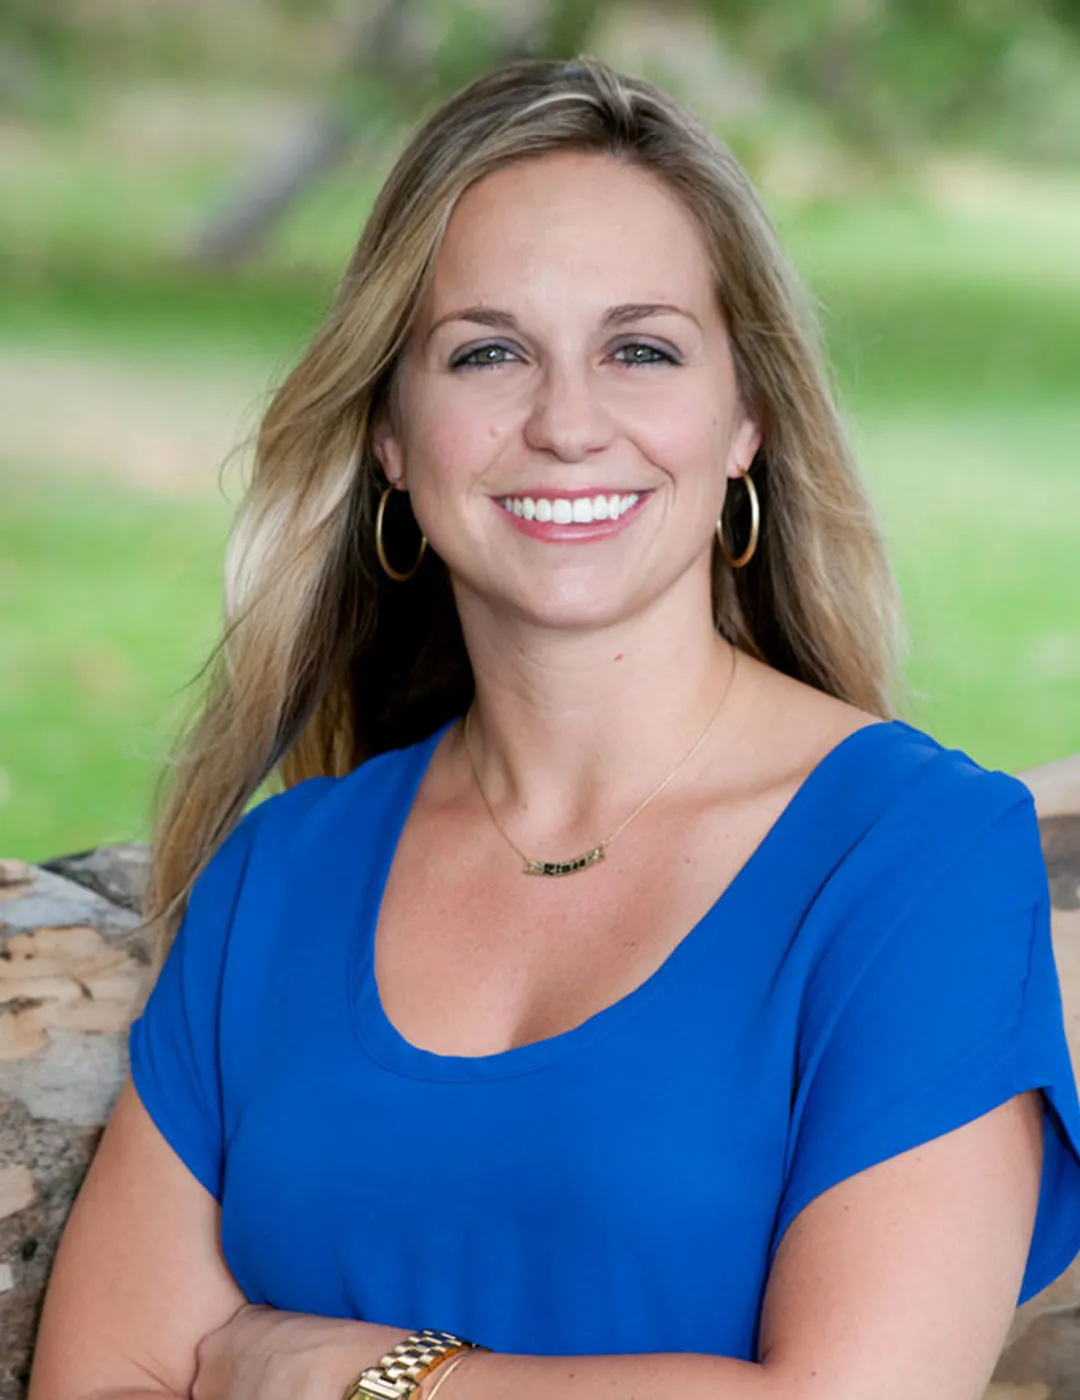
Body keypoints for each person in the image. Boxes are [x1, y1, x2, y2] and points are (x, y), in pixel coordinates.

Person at [29, 54, 1080, 1400]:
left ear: (745, 418)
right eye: (488, 353)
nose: (567, 424)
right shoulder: (282, 874)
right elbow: (107, 1377)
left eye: (640, 350)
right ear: (392, 435)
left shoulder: (914, 856)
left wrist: (380, 1378)